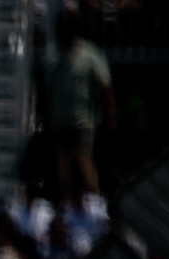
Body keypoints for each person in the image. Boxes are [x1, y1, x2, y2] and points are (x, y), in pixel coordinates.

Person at [45, 12, 114, 198]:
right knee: (63, 164)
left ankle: (95, 200)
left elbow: (105, 85)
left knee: (83, 158)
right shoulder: (54, 57)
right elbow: (48, 89)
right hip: (59, 119)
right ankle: (67, 203)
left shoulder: (89, 54)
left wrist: (109, 114)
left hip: (83, 119)